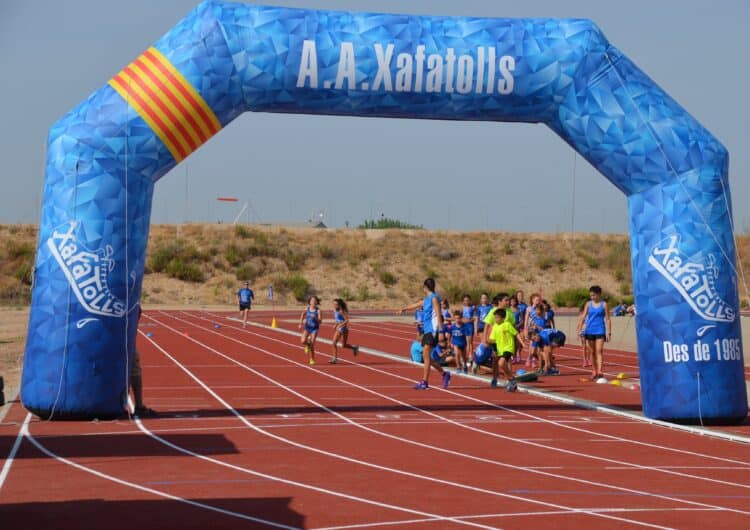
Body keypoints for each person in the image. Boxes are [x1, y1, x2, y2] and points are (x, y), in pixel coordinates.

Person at [399, 278, 451, 390]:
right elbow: (416, 304)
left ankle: (425, 382)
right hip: (427, 331)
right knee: (426, 357)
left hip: (434, 330)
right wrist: (404, 309)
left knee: (426, 355)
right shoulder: (426, 299)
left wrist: (441, 331)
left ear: (425, 287)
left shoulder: (434, 298)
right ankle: (444, 374)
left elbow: (438, 314)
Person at [577, 285, 612, 381]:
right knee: (592, 352)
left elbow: (608, 319)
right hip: (589, 330)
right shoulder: (588, 304)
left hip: (600, 330)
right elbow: (583, 316)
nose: (592, 297)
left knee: (599, 351)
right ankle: (594, 370)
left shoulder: (604, 304)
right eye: (591, 295)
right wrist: (580, 330)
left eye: (594, 295)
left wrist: (609, 332)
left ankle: (600, 371)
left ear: (599, 294)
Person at [487, 308, 526, 391]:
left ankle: (511, 379)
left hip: (508, 348)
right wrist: (489, 341)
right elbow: (491, 339)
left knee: (501, 363)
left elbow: (516, 334)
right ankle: (511, 379)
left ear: (503, 318)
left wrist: (522, 343)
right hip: (500, 349)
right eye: (495, 317)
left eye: (497, 317)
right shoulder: (495, 327)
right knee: (500, 364)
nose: (496, 319)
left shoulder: (507, 324)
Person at [132, 307, 156, 417]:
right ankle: (139, 406)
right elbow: (137, 312)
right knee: (134, 371)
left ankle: (117, 405)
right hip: (125, 343)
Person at [330, 298, 359, 364]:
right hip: (339, 329)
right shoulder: (334, 310)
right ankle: (335, 358)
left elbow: (347, 320)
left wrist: (340, 325)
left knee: (340, 344)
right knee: (337, 344)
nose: (334, 305)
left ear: (339, 305)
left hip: (344, 329)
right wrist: (335, 324)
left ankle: (354, 348)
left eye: (336, 304)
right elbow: (338, 319)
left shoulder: (341, 311)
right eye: (333, 304)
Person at [299, 296, 322, 365]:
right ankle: (307, 345)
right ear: (309, 302)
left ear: (317, 302)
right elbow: (302, 315)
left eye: (315, 301)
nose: (313, 302)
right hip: (307, 327)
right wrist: (300, 323)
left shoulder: (318, 310)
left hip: (314, 329)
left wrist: (315, 318)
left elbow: (320, 321)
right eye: (312, 301)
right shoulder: (307, 308)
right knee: (303, 341)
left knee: (312, 344)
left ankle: (312, 359)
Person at [461, 294, 477, 369]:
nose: (466, 302)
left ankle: (470, 357)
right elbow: (460, 317)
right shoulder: (462, 308)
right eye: (465, 300)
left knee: (470, 342)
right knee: (465, 342)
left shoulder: (473, 308)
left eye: (467, 300)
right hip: (464, 326)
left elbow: (475, 317)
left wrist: (469, 320)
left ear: (470, 300)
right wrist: (462, 320)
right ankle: (465, 357)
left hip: (470, 326)